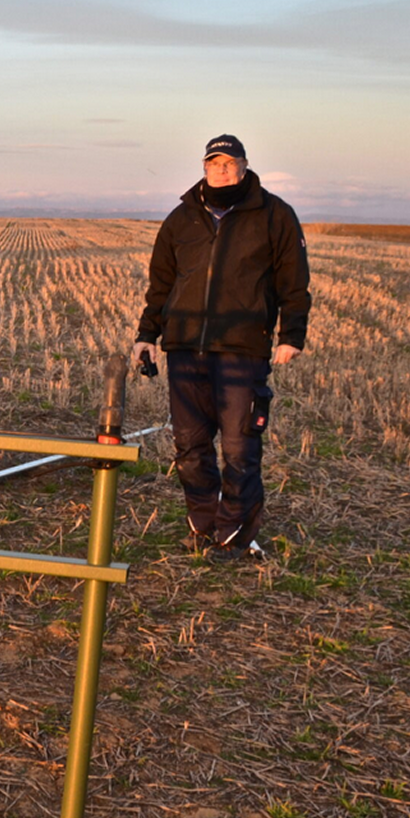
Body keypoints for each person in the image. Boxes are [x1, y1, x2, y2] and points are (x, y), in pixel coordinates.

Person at [132, 134, 311, 563]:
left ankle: (234, 536)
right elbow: (161, 284)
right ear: (204, 165)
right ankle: (204, 523)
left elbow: (294, 280)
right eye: (215, 162)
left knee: (238, 447)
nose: (222, 169)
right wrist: (146, 335)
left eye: (229, 163)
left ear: (245, 166)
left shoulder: (274, 215)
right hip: (185, 348)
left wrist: (292, 336)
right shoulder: (182, 218)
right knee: (190, 447)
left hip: (242, 349)